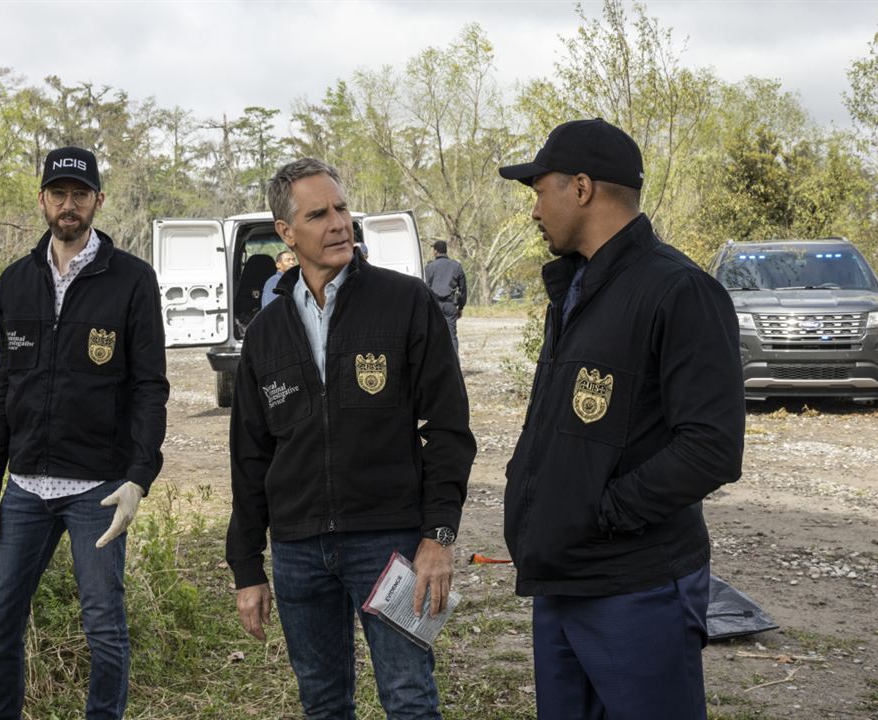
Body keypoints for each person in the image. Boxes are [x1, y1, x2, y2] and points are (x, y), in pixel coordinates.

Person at [497, 119, 745, 720]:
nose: (535, 210)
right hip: (563, 581)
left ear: (581, 188)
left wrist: (601, 514)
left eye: (540, 189)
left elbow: (711, 448)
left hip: (637, 591)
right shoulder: (576, 288)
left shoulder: (680, 291)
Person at [227, 158, 475, 719]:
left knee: (410, 699)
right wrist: (247, 566)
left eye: (342, 209)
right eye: (319, 214)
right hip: (297, 551)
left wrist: (438, 534)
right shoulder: (265, 333)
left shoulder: (405, 302)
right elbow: (249, 456)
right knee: (322, 702)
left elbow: (449, 428)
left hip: (389, 543)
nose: (340, 223)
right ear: (287, 233)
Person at [0, 146, 170, 720]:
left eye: (80, 194)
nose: (68, 205)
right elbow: (4, 387)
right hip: (26, 488)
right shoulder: (14, 282)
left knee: (105, 630)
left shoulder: (132, 279)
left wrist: (138, 477)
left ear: (97, 201)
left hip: (97, 489)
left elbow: (150, 387)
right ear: (42, 200)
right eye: (58, 194)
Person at [424, 241, 467, 353]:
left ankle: (436, 367)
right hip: (450, 305)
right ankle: (455, 366)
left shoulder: (429, 267)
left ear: (436, 251)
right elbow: (463, 289)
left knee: (434, 336)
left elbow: (426, 289)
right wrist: (460, 306)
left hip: (435, 305)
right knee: (452, 336)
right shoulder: (456, 266)